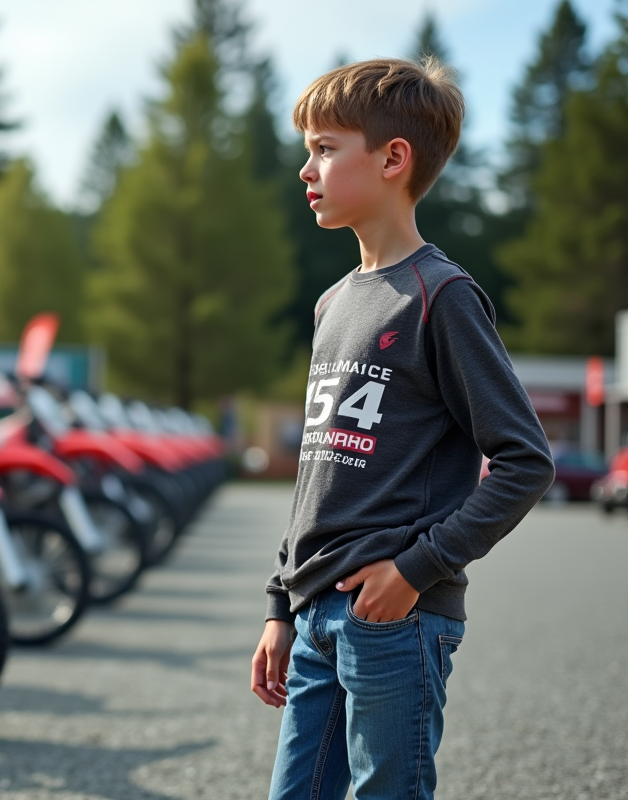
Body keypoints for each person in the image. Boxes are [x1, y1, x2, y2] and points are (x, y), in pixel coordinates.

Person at [250, 57, 554, 800]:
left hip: (392, 620)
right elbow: (316, 477)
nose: (305, 168)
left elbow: (524, 461)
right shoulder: (330, 305)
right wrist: (280, 605)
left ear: (392, 158)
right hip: (315, 615)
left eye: (324, 147)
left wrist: (415, 570)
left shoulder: (441, 296)